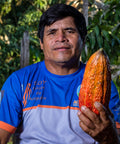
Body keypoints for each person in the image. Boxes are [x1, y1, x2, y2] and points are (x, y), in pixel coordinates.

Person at [0, 3, 120, 144]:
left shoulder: (102, 84)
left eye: (69, 31)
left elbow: (116, 138)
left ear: (83, 40)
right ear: (41, 43)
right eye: (52, 32)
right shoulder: (19, 82)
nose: (61, 38)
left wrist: (109, 137)